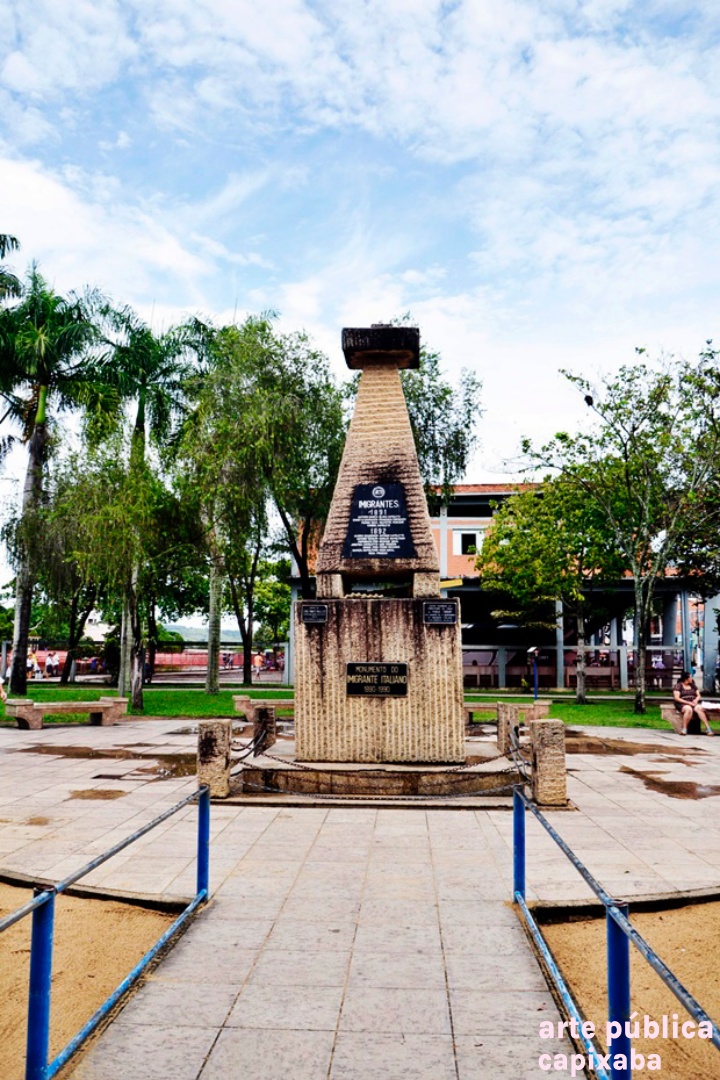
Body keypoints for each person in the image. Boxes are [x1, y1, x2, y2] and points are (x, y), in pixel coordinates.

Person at [673, 671, 714, 735]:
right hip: (682, 703)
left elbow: (698, 695)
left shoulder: (693, 685)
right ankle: (684, 729)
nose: (692, 678)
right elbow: (677, 698)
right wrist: (688, 703)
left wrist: (696, 700)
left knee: (699, 708)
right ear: (686, 679)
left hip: (693, 702)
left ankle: (708, 728)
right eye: (690, 677)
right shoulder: (678, 686)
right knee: (688, 709)